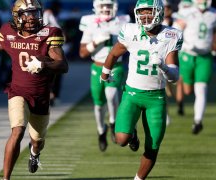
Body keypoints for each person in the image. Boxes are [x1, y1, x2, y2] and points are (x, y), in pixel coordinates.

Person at [0, 0, 68, 179]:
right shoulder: (8, 32)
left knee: (37, 141)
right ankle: (6, 178)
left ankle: (34, 153)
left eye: (35, 13)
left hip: (41, 95)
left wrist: (44, 64)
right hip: (18, 92)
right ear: (17, 16)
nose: (32, 18)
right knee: (17, 130)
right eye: (27, 14)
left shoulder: (49, 34)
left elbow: (63, 65)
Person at [100, 0, 182, 179]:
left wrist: (164, 66)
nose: (145, 17)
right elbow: (114, 53)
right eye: (141, 12)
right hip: (132, 94)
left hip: (156, 98)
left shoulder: (171, 35)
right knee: (121, 139)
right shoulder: (131, 31)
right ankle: (133, 135)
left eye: (149, 12)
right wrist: (105, 73)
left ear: (159, 13)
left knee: (152, 147)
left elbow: (174, 77)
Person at [79, 0, 130, 152]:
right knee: (98, 104)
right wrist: (95, 42)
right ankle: (101, 131)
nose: (106, 8)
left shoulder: (123, 21)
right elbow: (82, 53)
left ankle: (113, 122)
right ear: (97, 7)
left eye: (109, 5)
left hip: (116, 66)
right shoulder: (90, 22)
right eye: (103, 6)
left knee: (111, 93)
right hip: (97, 66)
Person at [172, 0, 216, 134]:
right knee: (188, 91)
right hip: (188, 55)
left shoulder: (213, 14)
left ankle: (198, 121)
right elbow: (175, 31)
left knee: (201, 88)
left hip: (205, 56)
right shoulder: (187, 12)